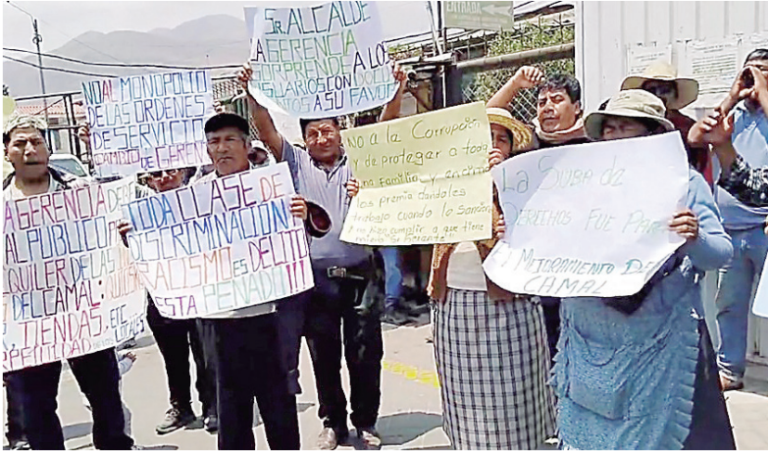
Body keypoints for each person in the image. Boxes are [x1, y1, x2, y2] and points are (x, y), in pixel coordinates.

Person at [549, 89, 735, 450]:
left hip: (660, 347)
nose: (614, 136)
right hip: (591, 343)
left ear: (651, 136)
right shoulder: (578, 184)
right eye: (609, 129)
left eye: (625, 128)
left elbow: (720, 254)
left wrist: (694, 236)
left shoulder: (684, 182)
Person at [241, 60, 408, 450]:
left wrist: (397, 89)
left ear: (340, 134)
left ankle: (366, 422)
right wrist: (252, 93)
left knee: (366, 353)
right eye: (313, 133)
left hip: (362, 273)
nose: (321, 138)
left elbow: (386, 127)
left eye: (327, 131)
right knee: (324, 355)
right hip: (315, 281)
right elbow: (265, 130)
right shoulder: (295, 163)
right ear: (304, 139)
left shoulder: (361, 163)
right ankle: (332, 422)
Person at [414, 108, 556, 449]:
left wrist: (501, 185)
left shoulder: (525, 183)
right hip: (455, 305)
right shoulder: (449, 183)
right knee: (464, 395)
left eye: (501, 138)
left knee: (515, 396)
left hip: (508, 303)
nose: (493, 144)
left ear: (510, 148)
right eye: (484, 138)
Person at [3, 114, 136, 450]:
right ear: (7, 153)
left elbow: (121, 196)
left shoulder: (80, 192)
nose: (30, 149)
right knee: (36, 408)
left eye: (36, 141)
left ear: (48, 149)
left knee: (105, 398)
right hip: (27, 324)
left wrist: (121, 230)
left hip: (84, 313)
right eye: (20, 143)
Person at [487, 66, 588, 363]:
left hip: (583, 271)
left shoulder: (597, 145)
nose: (548, 108)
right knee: (548, 351)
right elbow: (484, 118)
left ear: (577, 107)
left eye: (556, 100)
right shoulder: (528, 146)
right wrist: (516, 83)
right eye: (542, 102)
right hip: (540, 274)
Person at [707, 48, 768, 391]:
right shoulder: (738, 113)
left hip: (764, 227)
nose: (754, 78)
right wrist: (733, 95)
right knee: (729, 304)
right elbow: (703, 135)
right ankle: (729, 369)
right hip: (732, 228)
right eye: (750, 71)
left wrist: (764, 92)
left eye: (763, 70)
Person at [143, 168, 219, 435]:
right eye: (156, 173)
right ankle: (181, 407)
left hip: (200, 293)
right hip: (162, 296)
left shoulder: (200, 202)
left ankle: (212, 406)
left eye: (169, 171)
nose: (164, 178)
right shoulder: (139, 211)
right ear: (149, 180)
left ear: (183, 173)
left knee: (205, 353)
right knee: (173, 357)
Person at [621, 60, 713, 184]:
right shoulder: (631, 125)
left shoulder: (688, 127)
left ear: (675, 94)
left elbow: (702, 166)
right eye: (652, 90)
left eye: (665, 90)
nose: (659, 95)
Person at [83, 351, 136, 437]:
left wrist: (123, 356)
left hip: (98, 395)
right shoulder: (97, 356)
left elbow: (113, 357)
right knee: (123, 416)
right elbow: (113, 371)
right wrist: (128, 361)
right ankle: (125, 443)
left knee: (106, 420)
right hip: (102, 394)